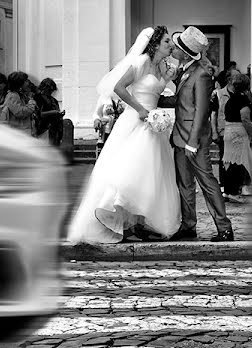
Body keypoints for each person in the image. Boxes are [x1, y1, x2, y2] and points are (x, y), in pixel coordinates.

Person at [67, 26, 181, 244]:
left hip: (152, 127)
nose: (171, 46)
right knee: (129, 169)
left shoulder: (161, 67)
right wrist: (139, 109)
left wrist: (166, 79)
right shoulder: (139, 63)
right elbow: (119, 88)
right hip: (135, 122)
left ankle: (138, 223)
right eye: (167, 42)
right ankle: (112, 214)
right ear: (155, 43)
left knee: (148, 174)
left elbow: (155, 92)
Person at [159, 26, 234, 243]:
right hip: (179, 137)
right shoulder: (185, 71)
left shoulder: (201, 74)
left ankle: (225, 228)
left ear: (185, 52)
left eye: (177, 47)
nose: (174, 49)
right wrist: (155, 100)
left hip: (194, 140)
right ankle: (189, 226)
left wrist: (192, 142)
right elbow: (182, 102)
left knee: (207, 182)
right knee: (185, 184)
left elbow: (202, 110)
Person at [222, 72, 252, 204]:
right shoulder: (243, 100)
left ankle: (228, 191)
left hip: (228, 131)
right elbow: (245, 118)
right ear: (247, 86)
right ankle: (233, 192)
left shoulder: (231, 99)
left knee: (230, 162)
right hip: (238, 133)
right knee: (239, 163)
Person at [210, 69, 238, 199]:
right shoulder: (219, 94)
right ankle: (224, 188)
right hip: (224, 131)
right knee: (224, 160)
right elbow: (214, 113)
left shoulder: (240, 93)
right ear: (229, 79)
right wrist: (214, 131)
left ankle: (233, 189)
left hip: (238, 132)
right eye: (236, 76)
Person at [0, 71, 38, 135]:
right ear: (19, 83)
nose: (28, 83)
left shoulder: (20, 95)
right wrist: (31, 103)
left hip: (21, 132)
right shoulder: (12, 96)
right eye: (26, 81)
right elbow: (20, 112)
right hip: (17, 133)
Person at [35, 77, 65, 147]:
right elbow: (39, 114)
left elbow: (56, 112)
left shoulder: (53, 100)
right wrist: (53, 112)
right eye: (49, 90)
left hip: (55, 129)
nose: (50, 92)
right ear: (43, 88)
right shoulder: (37, 98)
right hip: (43, 129)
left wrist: (60, 115)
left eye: (52, 90)